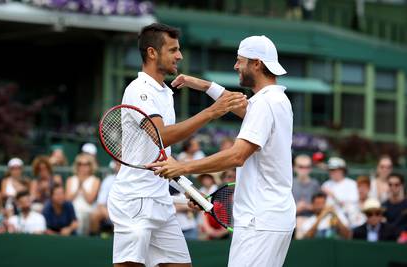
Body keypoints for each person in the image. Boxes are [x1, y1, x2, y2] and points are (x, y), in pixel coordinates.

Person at [150, 35, 296, 267]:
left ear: (256, 64)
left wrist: (182, 166)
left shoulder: (266, 104)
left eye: (240, 60)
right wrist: (202, 85)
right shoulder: (277, 100)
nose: (236, 66)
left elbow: (237, 156)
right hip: (271, 218)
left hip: (259, 222)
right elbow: (239, 106)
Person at [107, 23, 246, 267]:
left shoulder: (165, 92)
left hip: (160, 200)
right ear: (152, 53)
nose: (179, 56)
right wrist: (211, 112)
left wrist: (189, 193)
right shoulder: (138, 90)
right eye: (173, 50)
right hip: (133, 201)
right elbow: (163, 137)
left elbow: (163, 157)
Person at [65, 153, 100, 235]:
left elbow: (90, 200)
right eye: (79, 164)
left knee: (83, 217)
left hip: (87, 211)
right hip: (72, 212)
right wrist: (78, 187)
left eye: (86, 164)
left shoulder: (95, 180)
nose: (82, 167)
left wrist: (82, 185)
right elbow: (68, 200)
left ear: (90, 166)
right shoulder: (70, 180)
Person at [321, 157, 359, 227]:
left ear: (342, 170)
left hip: (347, 218)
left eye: (334, 170)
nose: (331, 172)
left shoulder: (351, 184)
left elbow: (350, 207)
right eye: (330, 170)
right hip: (327, 217)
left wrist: (333, 196)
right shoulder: (326, 184)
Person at [89, 160, 120, 235]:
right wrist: (112, 217)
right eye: (117, 164)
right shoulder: (108, 180)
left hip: (127, 213)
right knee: (94, 215)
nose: (119, 167)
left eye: (121, 165)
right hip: (110, 212)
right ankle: (95, 240)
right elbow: (101, 204)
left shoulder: (132, 180)